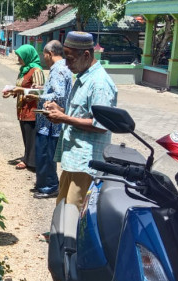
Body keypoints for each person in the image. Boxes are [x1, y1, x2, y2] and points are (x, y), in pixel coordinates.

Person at [43, 31, 117, 208]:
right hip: (73, 157)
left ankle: (68, 236)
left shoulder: (99, 84)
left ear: (86, 55)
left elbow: (101, 125)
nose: (67, 65)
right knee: (63, 203)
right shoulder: (84, 77)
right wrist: (59, 111)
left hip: (86, 162)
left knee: (74, 210)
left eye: (69, 59)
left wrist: (64, 118)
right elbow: (79, 113)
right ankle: (58, 235)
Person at [32, 40, 73, 199]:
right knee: (46, 155)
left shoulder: (57, 70)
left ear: (49, 54)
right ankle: (45, 184)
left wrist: (38, 95)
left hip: (50, 123)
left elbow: (59, 95)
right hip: (51, 122)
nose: (44, 59)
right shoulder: (64, 67)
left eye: (44, 55)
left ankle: (49, 187)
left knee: (45, 155)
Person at [3, 44, 45, 170]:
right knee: (26, 135)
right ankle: (28, 159)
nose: (18, 60)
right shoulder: (24, 70)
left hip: (32, 109)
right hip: (23, 108)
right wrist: (11, 92)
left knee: (32, 135)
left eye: (20, 57)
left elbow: (39, 92)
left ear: (27, 56)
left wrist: (21, 90)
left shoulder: (36, 70)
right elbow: (20, 87)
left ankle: (32, 162)